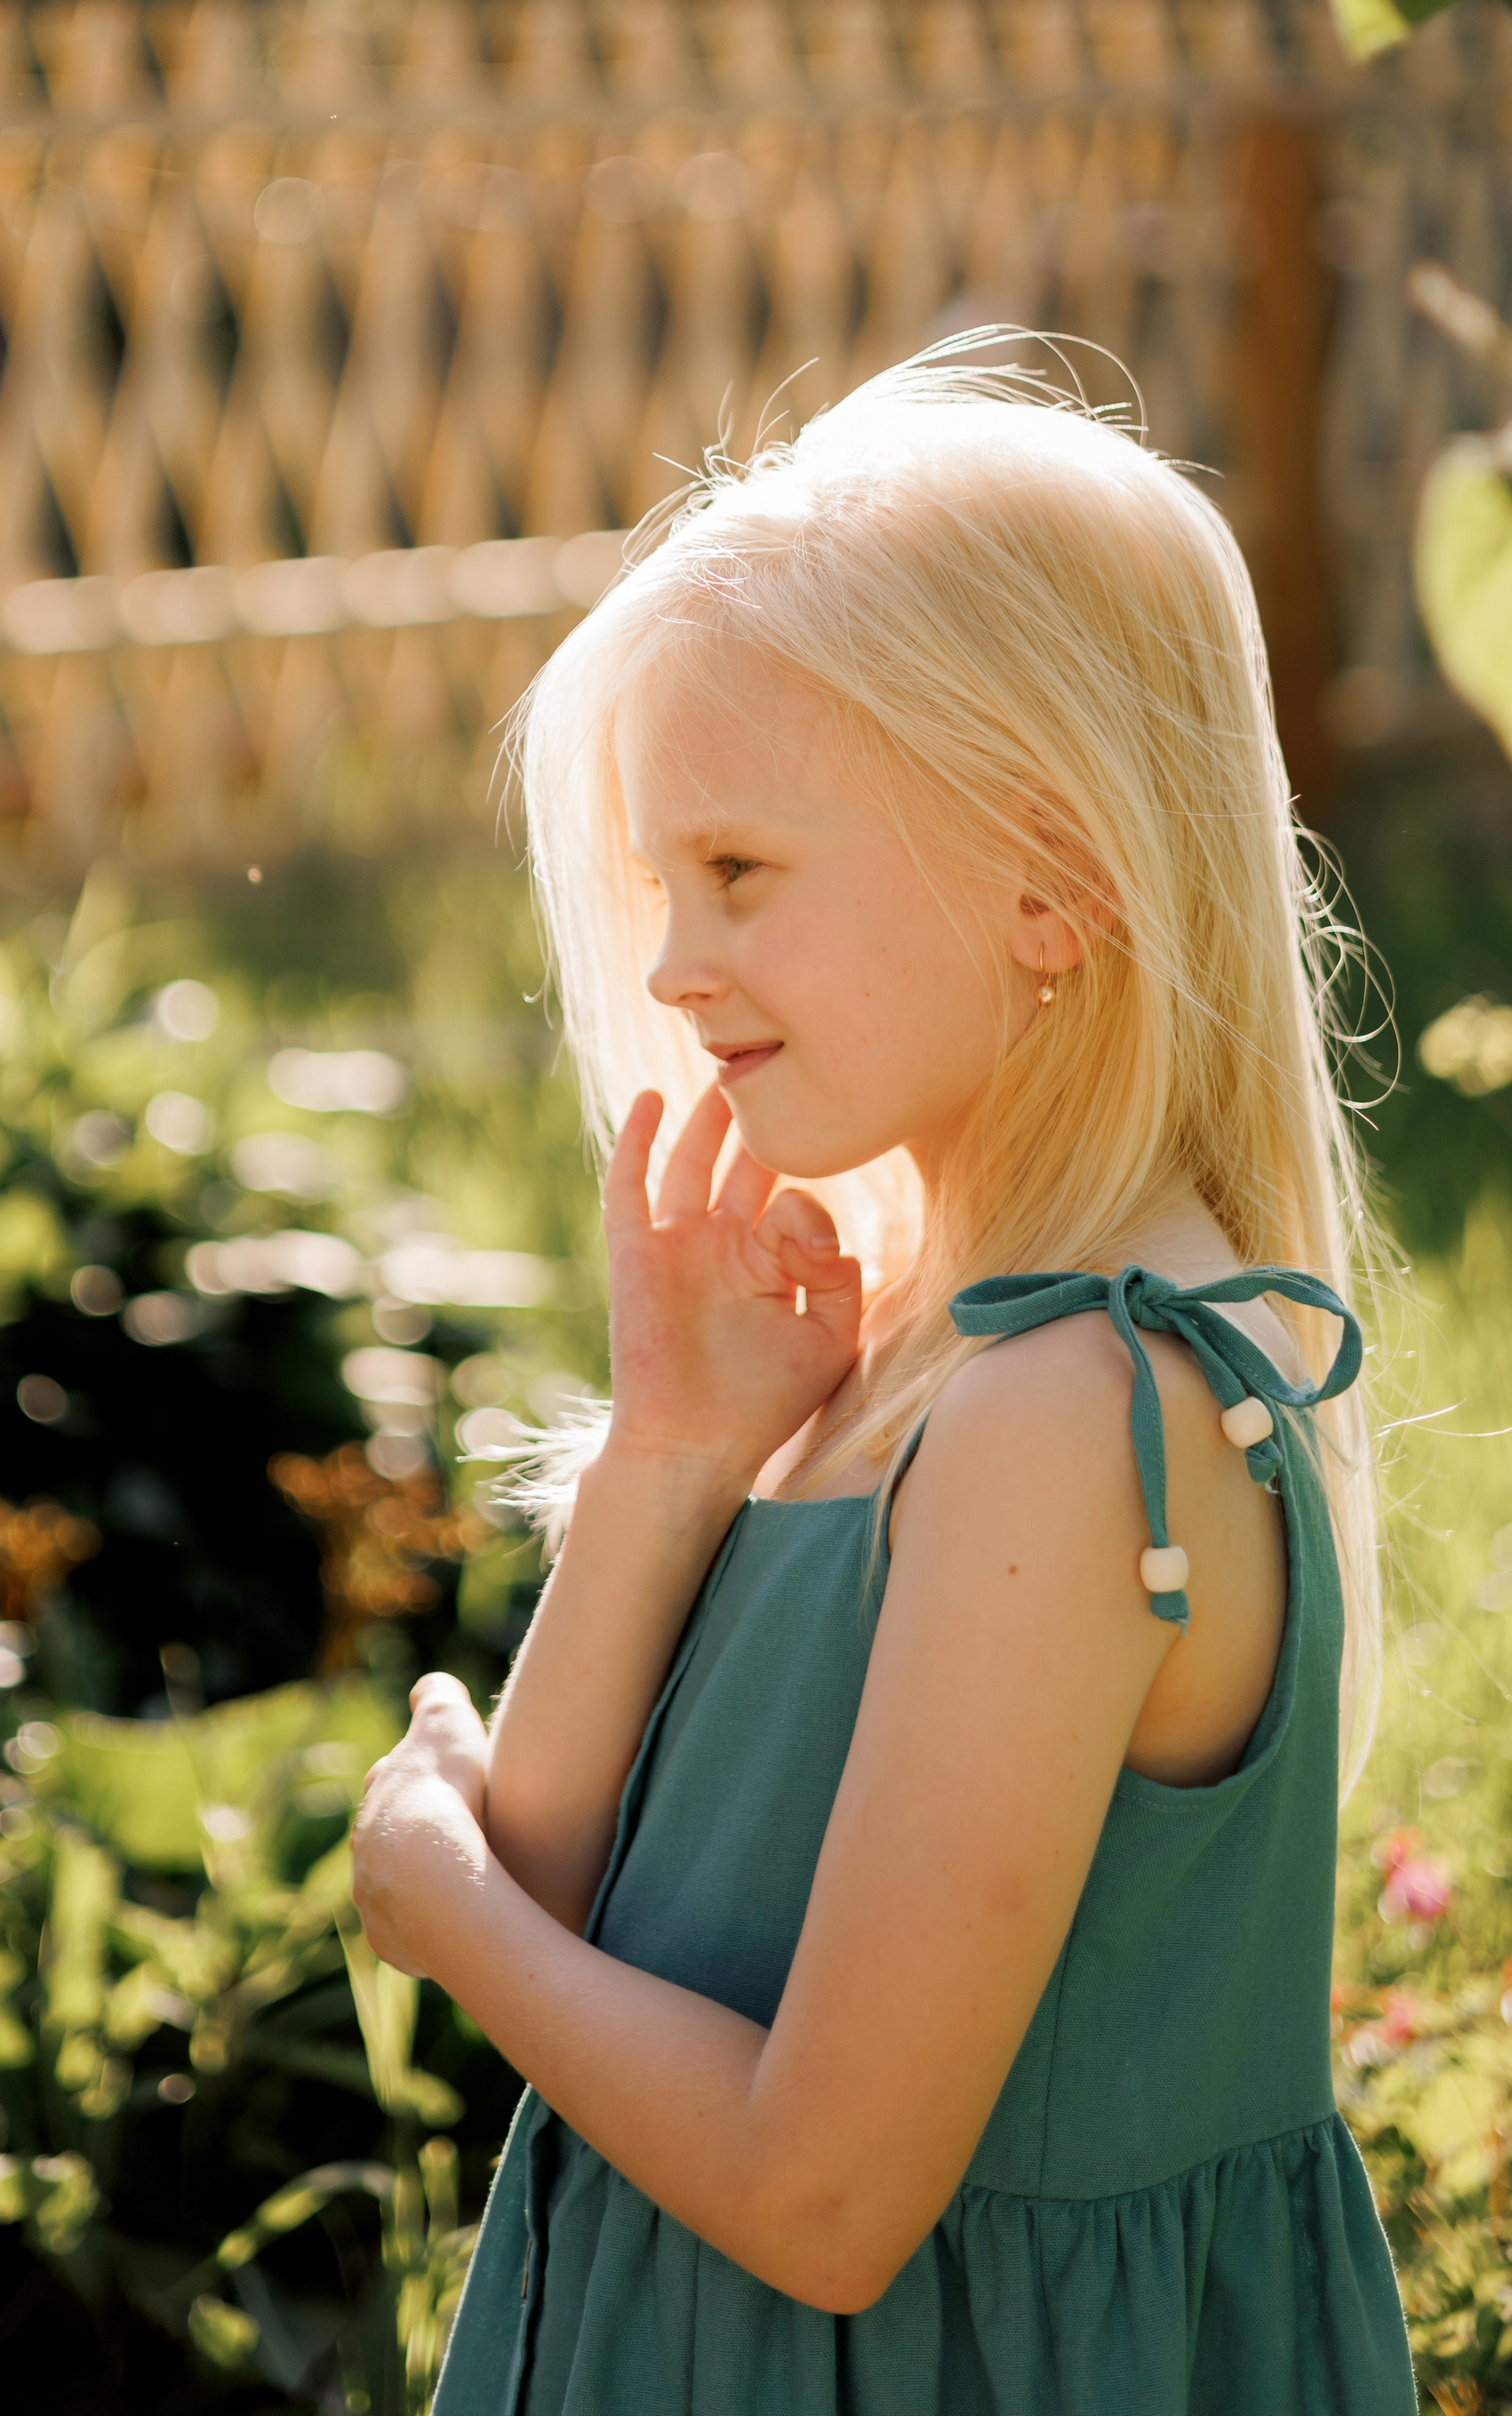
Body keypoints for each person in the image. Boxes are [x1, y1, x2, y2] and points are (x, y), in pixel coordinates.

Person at [349, 356, 1417, 2416]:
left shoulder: (1066, 1419)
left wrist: (443, 1906)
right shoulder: (927, 1350)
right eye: (664, 889)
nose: (670, 969)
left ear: (1046, 883)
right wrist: (675, 1444)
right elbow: (592, 1900)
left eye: (738, 872)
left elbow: (827, 2194)